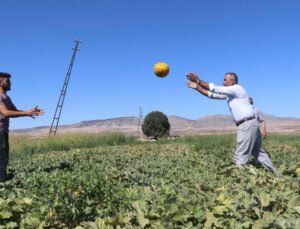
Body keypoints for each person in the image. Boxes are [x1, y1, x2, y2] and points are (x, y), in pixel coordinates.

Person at [186, 72, 275, 171]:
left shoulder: (237, 88)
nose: (223, 82)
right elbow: (211, 95)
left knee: (240, 155)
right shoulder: (230, 95)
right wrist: (197, 87)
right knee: (259, 152)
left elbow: (215, 88)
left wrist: (198, 81)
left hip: (246, 125)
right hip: (251, 124)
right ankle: (276, 174)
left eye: (225, 80)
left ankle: (239, 180)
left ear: (232, 81)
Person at [0, 72, 44, 182]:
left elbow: (14, 112)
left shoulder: (7, 97)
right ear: (1, 83)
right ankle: (2, 183)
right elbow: (5, 113)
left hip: (3, 131)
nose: (10, 83)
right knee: (2, 158)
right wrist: (26, 113)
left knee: (4, 157)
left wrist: (29, 112)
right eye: (8, 81)